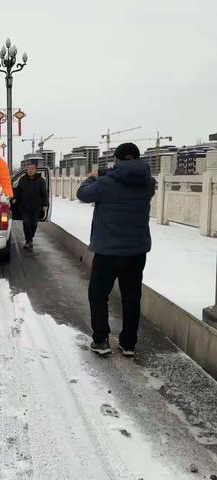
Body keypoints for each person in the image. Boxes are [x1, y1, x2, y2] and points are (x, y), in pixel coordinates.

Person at [76, 143, 156, 357]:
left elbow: (82, 194)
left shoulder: (106, 183)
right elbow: (132, 180)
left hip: (108, 252)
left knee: (98, 294)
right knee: (132, 296)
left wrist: (93, 176)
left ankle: (101, 340)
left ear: (117, 160)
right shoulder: (148, 184)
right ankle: (128, 343)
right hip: (136, 252)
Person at [14, 162, 49, 250]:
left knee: (33, 224)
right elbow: (18, 190)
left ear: (36, 170)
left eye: (32, 169)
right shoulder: (23, 179)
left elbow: (44, 194)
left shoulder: (41, 180)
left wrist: (45, 204)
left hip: (35, 207)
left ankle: (30, 238)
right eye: (29, 169)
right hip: (24, 206)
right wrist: (14, 198)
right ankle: (28, 241)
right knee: (26, 223)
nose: (30, 170)